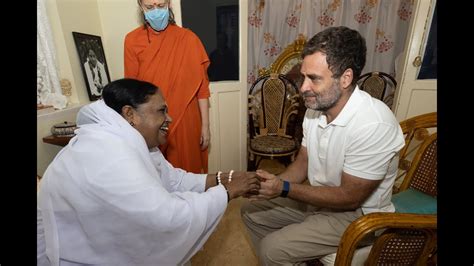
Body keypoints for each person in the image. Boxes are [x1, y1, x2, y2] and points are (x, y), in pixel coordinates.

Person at [37, 78, 260, 266]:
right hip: (69, 252)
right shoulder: (111, 152)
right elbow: (168, 217)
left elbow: (173, 179)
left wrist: (223, 178)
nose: (169, 118)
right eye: (162, 111)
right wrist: (227, 191)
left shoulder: (126, 138)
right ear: (130, 115)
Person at [240, 26, 405, 265]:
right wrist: (269, 185)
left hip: (358, 216)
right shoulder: (314, 110)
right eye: (303, 76)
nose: (303, 87)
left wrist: (283, 188)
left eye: (314, 78)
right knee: (250, 212)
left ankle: (283, 253)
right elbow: (303, 162)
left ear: (345, 78)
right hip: (320, 202)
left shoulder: (373, 124)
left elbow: (350, 197)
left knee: (271, 250)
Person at [124, 0, 210, 174]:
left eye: (161, 6)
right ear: (141, 7)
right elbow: (131, 90)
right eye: (150, 7)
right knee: (158, 179)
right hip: (151, 120)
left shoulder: (188, 39)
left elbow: (202, 88)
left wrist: (206, 126)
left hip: (186, 119)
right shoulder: (132, 40)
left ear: (169, 4)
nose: (156, 11)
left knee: (188, 177)